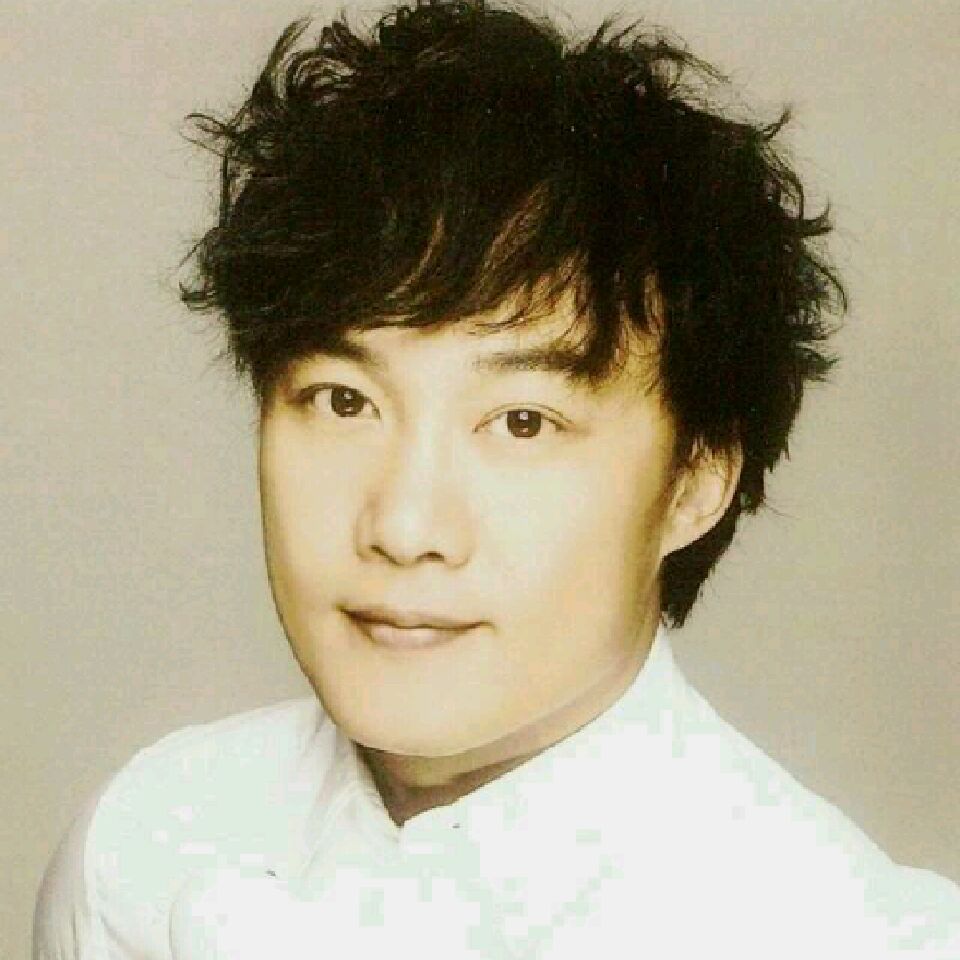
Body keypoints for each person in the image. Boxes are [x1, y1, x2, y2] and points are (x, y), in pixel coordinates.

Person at [32, 1, 959, 957]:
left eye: (522, 422)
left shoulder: (852, 934)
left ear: (694, 482)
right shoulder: (143, 848)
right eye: (345, 400)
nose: (404, 526)